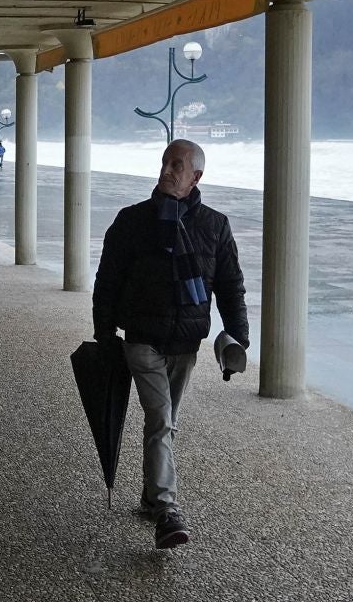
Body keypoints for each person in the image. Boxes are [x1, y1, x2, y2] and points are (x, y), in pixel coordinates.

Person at [92, 139, 249, 549]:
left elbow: (231, 287)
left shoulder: (214, 226)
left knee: (165, 422)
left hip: (186, 343)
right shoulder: (132, 221)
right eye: (165, 163)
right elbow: (107, 282)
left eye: (177, 165)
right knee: (161, 418)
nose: (167, 171)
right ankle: (166, 509)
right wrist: (105, 336)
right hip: (141, 340)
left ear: (196, 176)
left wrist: (239, 338)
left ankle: (149, 495)